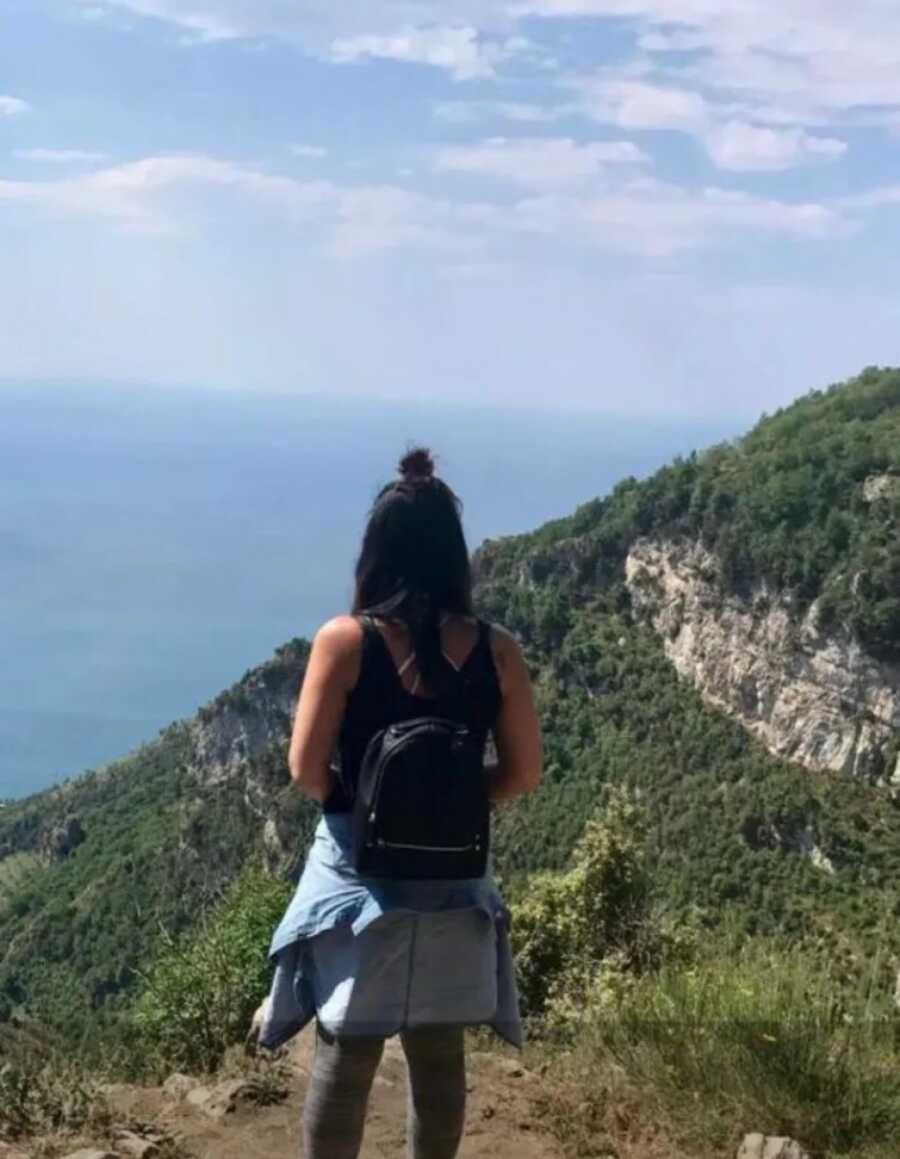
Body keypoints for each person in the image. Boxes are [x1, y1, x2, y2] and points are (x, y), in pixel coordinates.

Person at [258, 447, 543, 1159]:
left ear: (376, 550)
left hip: (361, 873)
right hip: (454, 876)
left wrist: (358, 807)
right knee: (440, 1053)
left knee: (346, 1050)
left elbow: (304, 768)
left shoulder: (346, 641)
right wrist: (454, 807)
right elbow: (524, 771)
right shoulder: (497, 651)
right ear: (455, 557)